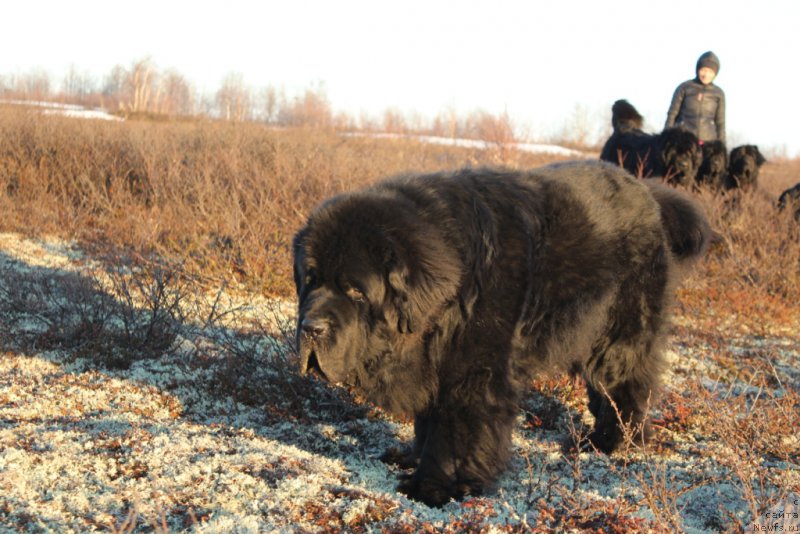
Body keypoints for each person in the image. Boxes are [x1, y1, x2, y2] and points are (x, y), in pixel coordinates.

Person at [665, 51, 726, 144]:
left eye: (710, 72)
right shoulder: (684, 87)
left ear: (715, 73)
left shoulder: (718, 93)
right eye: (704, 70)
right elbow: (672, 114)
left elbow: (720, 122)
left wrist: (722, 145)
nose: (706, 75)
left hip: (707, 141)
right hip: (683, 139)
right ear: (698, 69)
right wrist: (666, 136)